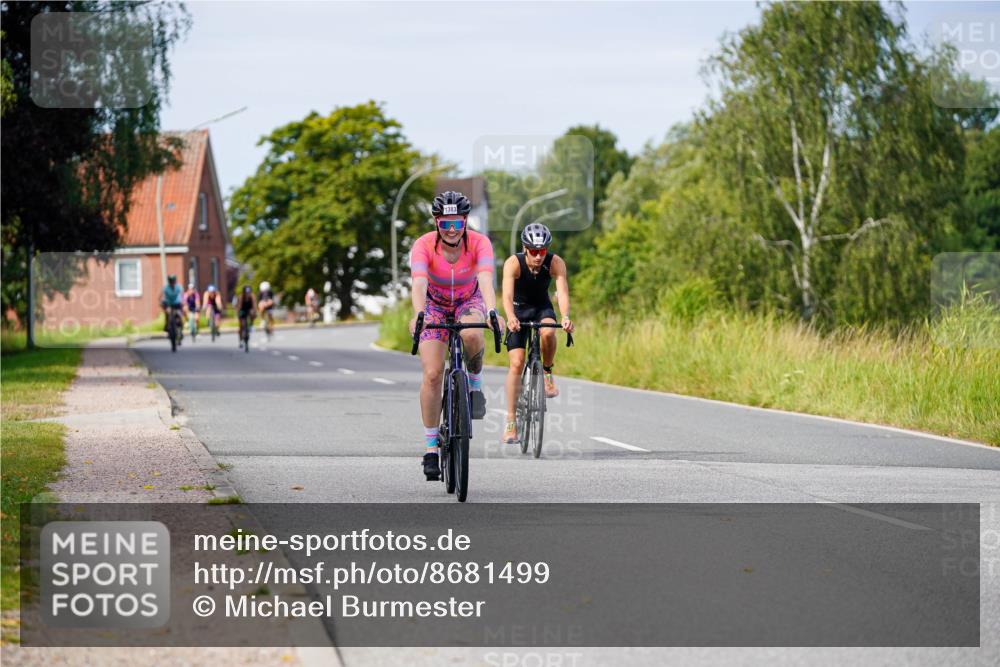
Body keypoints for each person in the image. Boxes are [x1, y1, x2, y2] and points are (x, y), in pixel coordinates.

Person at [408, 191, 503, 481]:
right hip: (434, 304)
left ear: (465, 221)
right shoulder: (423, 245)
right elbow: (419, 282)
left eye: (457, 224)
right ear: (437, 222)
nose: (451, 230)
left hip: (468, 301)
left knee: (474, 334)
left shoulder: (479, 243)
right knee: (433, 374)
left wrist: (492, 310)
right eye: (445, 224)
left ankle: (474, 386)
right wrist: (420, 313)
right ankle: (430, 448)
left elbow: (486, 279)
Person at [501, 223, 574, 444]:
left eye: (542, 251)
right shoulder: (513, 263)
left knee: (549, 332)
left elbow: (561, 292)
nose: (538, 256)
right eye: (534, 251)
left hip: (542, 307)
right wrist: (511, 316)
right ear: (525, 248)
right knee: (516, 363)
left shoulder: (556, 262)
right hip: (518, 309)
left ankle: (547, 373)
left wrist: (566, 316)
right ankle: (511, 421)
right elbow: (506, 294)